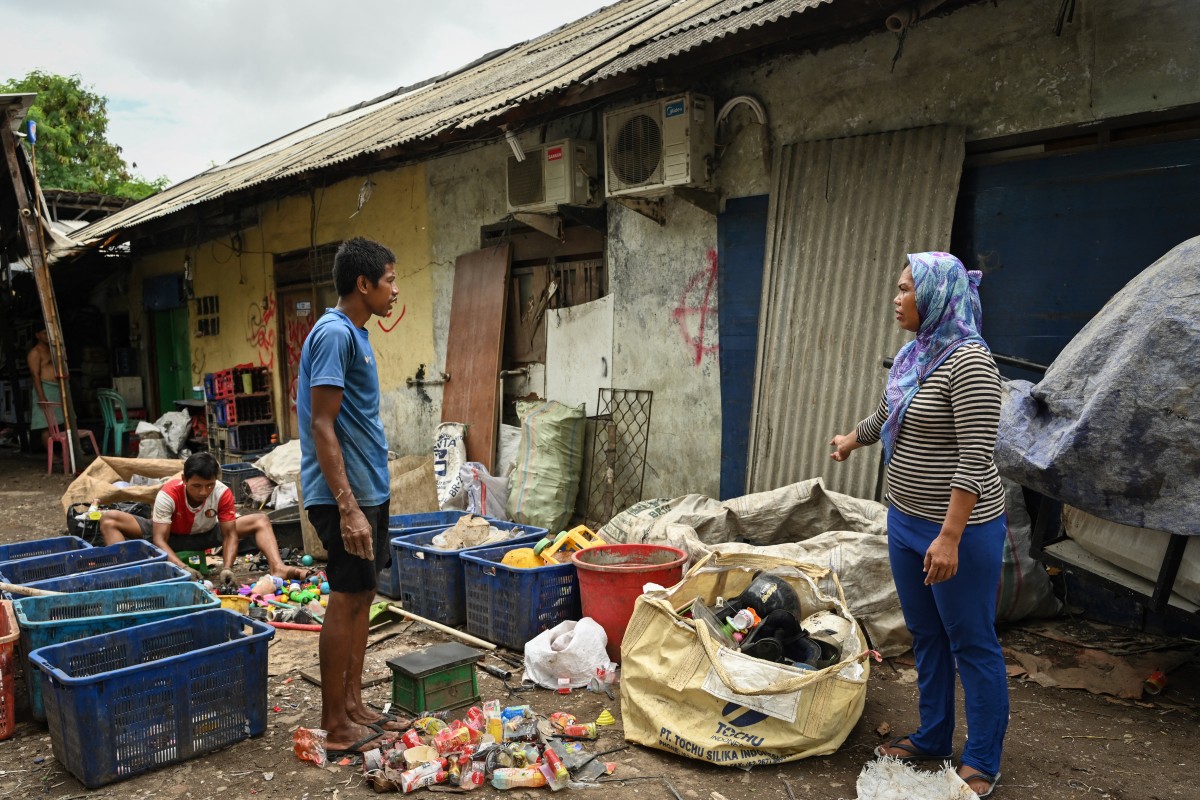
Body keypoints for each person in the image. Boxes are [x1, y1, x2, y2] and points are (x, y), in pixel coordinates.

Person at [829, 252, 1007, 798]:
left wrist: (950, 536)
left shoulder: (971, 363)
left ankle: (983, 758)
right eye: (898, 289)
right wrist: (853, 440)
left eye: (906, 289)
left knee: (971, 640)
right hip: (904, 522)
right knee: (927, 634)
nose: (897, 298)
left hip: (959, 532)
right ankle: (933, 737)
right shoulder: (915, 354)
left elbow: (975, 457)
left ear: (935, 296)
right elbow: (888, 412)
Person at [297, 236, 404, 757]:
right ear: (363, 284)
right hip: (346, 496)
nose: (395, 290)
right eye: (389, 280)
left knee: (363, 595)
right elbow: (322, 425)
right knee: (344, 598)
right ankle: (334, 722)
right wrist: (347, 506)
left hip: (368, 490)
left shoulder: (357, 335)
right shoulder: (333, 335)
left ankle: (355, 703)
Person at [98, 452, 309, 583]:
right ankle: (127, 577)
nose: (203, 492)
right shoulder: (168, 493)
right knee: (109, 519)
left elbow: (229, 535)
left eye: (209, 485)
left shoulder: (221, 492)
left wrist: (227, 567)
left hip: (206, 534)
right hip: (169, 536)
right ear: (184, 480)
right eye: (196, 486)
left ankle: (278, 567)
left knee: (261, 519)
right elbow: (159, 540)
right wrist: (183, 568)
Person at [27, 322, 63, 451]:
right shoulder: (35, 353)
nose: (48, 336)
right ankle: (51, 457)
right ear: (37, 335)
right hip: (45, 389)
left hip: (57, 389)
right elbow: (35, 376)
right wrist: (42, 396)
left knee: (61, 424)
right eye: (44, 333)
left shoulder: (54, 349)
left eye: (49, 332)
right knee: (46, 425)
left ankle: (62, 454)